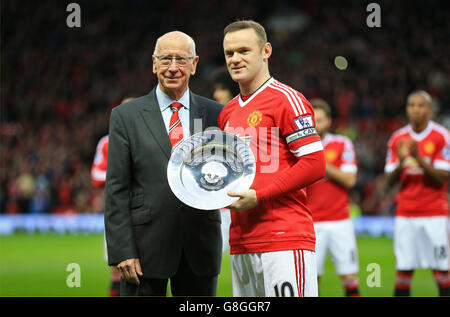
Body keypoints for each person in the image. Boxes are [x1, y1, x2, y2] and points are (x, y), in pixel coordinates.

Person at [104, 31, 223, 296]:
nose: (172, 67)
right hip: (143, 252)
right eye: (165, 59)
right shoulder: (126, 116)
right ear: (154, 63)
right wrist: (122, 251)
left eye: (181, 59)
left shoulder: (216, 113)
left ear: (194, 65)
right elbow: (117, 188)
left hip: (200, 249)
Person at [217, 20, 326, 297]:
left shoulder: (287, 100)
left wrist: (260, 195)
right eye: (229, 53)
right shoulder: (227, 113)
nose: (235, 59)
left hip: (284, 237)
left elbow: (315, 164)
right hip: (241, 241)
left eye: (244, 50)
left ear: (266, 50)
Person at [385, 90, 449, 296]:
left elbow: (444, 176)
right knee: (404, 268)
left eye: (421, 105)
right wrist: (403, 160)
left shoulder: (441, 136)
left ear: (430, 110)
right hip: (406, 213)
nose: (416, 109)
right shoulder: (397, 138)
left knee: (441, 269)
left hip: (435, 214)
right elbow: (388, 181)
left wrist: (418, 158)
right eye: (412, 105)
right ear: (407, 109)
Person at [307, 99, 360, 296]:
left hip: (340, 222)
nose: (315, 125)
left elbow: (349, 179)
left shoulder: (342, 143)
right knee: (312, 279)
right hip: (310, 223)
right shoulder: (298, 148)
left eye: (319, 120)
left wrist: (318, 160)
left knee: (349, 278)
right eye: (312, 120)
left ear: (329, 121)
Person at [91, 97, 134, 297]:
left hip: (147, 211)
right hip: (118, 211)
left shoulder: (153, 138)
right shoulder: (107, 142)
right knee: (117, 266)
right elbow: (96, 175)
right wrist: (120, 174)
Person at [211, 67, 239, 254]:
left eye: (221, 88)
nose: (215, 94)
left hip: (243, 200)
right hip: (219, 203)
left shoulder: (245, 121)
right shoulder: (215, 119)